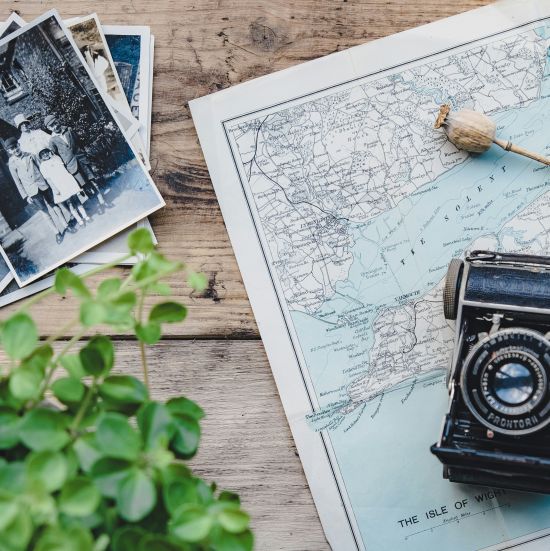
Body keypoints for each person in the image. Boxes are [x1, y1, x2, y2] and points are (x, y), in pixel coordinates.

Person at [6, 137, 70, 244]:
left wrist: (50, 183)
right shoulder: (12, 164)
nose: (15, 150)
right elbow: (17, 181)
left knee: (54, 205)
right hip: (31, 191)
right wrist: (26, 196)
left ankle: (66, 225)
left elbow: (41, 168)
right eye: (12, 149)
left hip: (43, 184)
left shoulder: (30, 155)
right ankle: (56, 232)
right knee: (44, 211)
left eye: (16, 147)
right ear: (9, 151)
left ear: (18, 145)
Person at [45, 115, 113, 213]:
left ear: (58, 121)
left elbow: (79, 142)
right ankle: (97, 205)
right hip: (72, 166)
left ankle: (103, 202)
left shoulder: (68, 130)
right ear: (49, 128)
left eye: (55, 123)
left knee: (93, 182)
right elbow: (56, 155)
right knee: (85, 187)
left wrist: (83, 154)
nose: (55, 126)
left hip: (82, 161)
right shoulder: (52, 141)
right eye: (52, 126)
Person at [38, 148, 92, 227]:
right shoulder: (43, 166)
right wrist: (55, 188)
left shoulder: (56, 158)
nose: (45, 155)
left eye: (46, 152)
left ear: (49, 152)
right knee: (70, 203)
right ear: (41, 157)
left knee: (76, 200)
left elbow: (63, 168)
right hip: (59, 185)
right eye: (43, 154)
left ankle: (85, 216)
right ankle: (79, 220)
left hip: (67, 181)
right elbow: (48, 179)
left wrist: (53, 157)